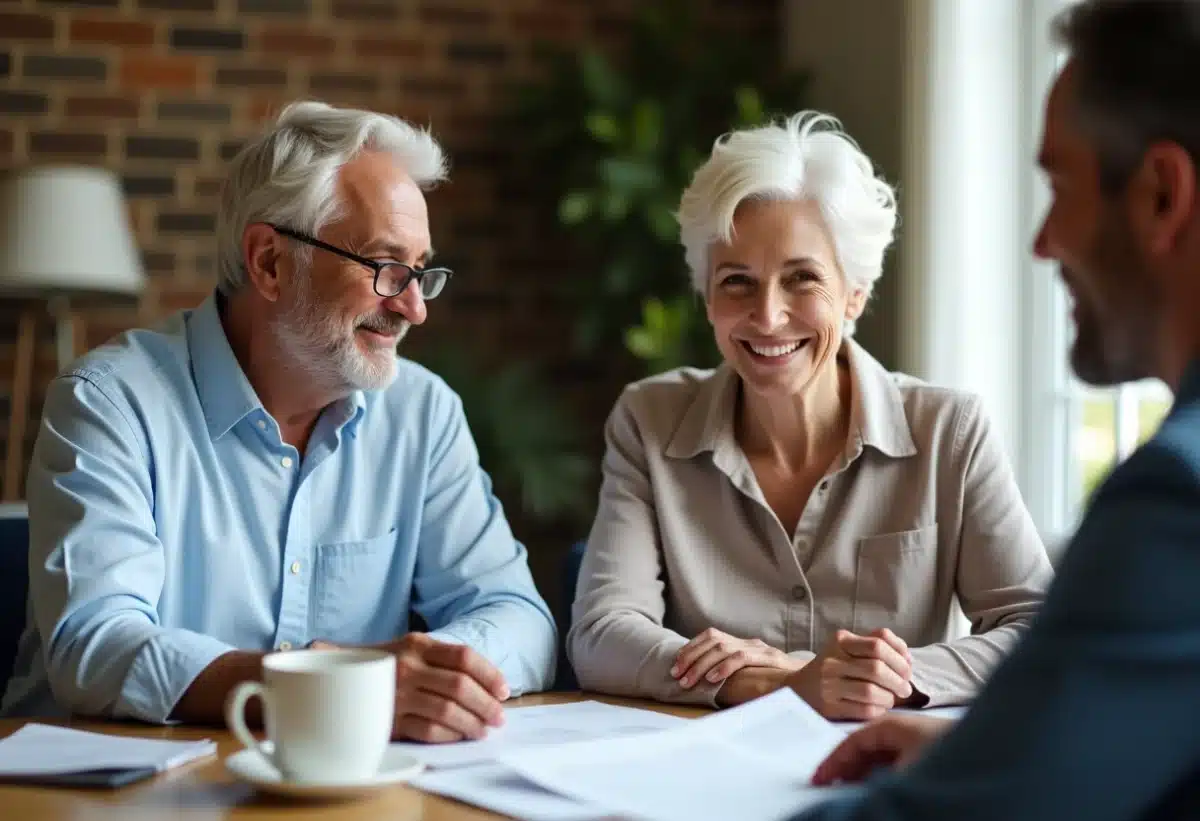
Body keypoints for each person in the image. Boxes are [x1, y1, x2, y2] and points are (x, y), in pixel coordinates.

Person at [0, 102, 557, 743]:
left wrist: (435, 676)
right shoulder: (108, 403)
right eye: (384, 267)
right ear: (269, 262)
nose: (412, 308)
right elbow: (94, 647)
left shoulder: (423, 414)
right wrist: (337, 686)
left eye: (420, 272)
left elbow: (517, 616)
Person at [790, 1, 1200, 818]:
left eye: (1059, 183)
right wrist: (1002, 749)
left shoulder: (1177, 504)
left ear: (1161, 194)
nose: (1042, 240)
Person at [568, 111, 1054, 717]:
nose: (768, 316)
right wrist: (775, 684)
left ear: (856, 292)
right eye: (737, 282)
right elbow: (601, 633)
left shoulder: (949, 431)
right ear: (707, 296)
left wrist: (875, 677)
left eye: (802, 279)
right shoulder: (650, 418)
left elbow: (1037, 630)